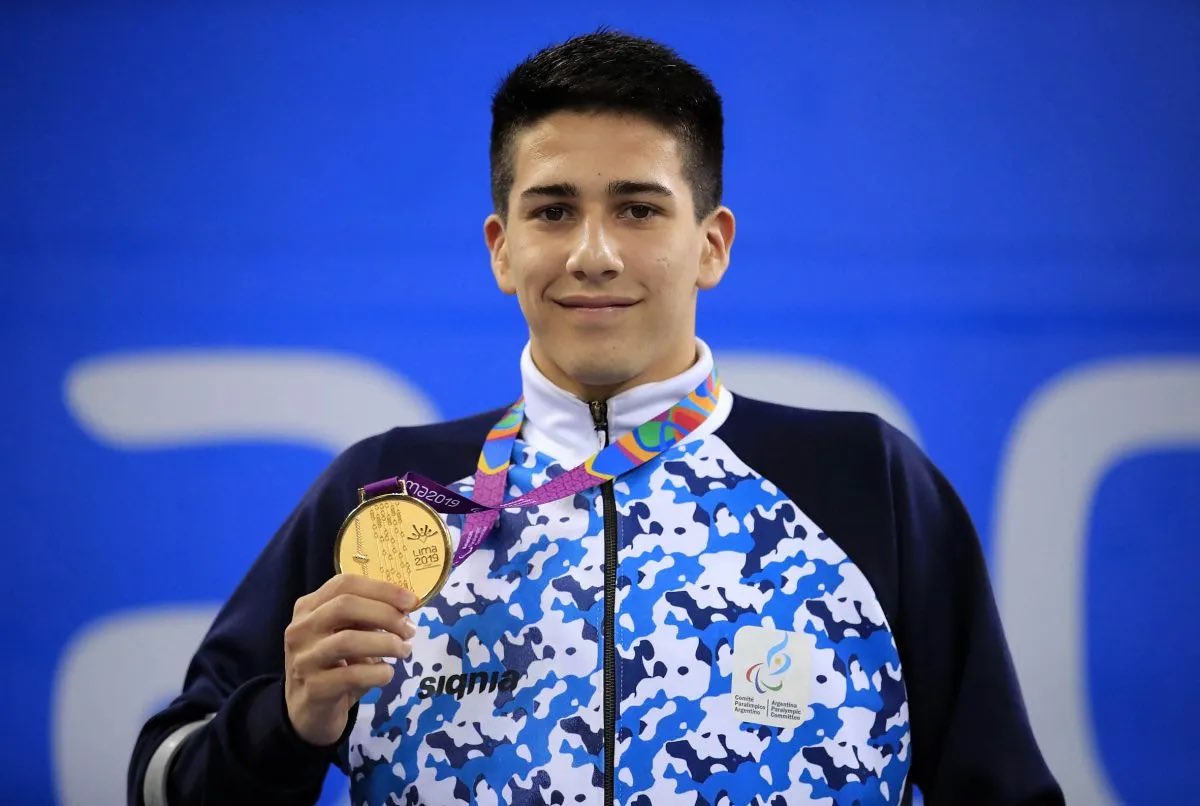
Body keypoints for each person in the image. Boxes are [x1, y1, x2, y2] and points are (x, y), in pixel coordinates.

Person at [130, 31, 1062, 805]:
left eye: (639, 209)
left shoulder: (863, 478)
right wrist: (286, 724)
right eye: (552, 210)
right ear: (502, 248)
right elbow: (159, 781)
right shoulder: (389, 499)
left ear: (712, 245)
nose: (594, 254)